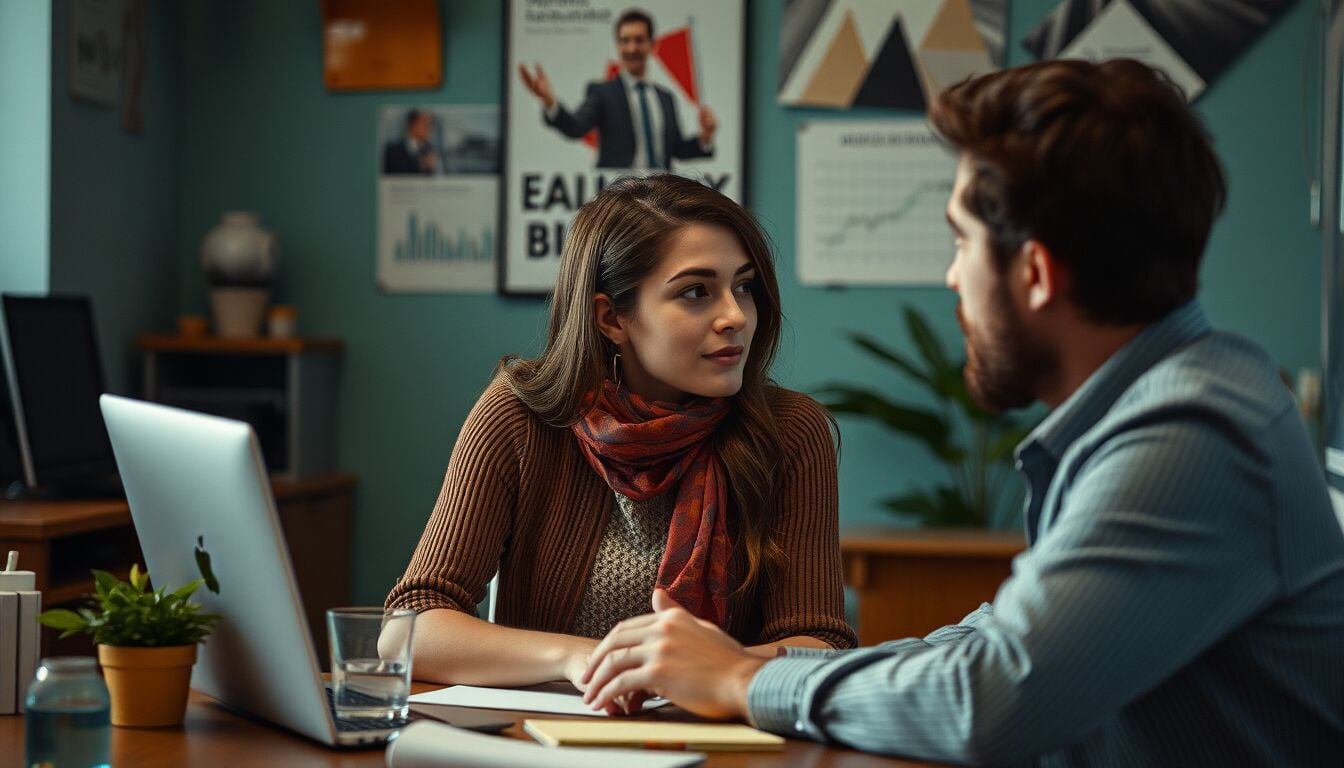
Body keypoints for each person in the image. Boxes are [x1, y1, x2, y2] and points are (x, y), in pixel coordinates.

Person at [580, 59, 1344, 765]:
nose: (950, 276)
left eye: (961, 242)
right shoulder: (1161, 408)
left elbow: (991, 698)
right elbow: (987, 643)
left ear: (1037, 272)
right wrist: (755, 662)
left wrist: (742, 685)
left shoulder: (1194, 434)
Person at [385, 174, 856, 692]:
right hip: (547, 743)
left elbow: (819, 644)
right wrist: (586, 658)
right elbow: (410, 628)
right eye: (696, 292)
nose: (735, 316)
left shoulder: (790, 431)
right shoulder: (521, 416)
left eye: (743, 286)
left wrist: (715, 670)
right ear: (611, 317)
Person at [517, 8, 716, 169]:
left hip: (659, 198)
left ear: (653, 45)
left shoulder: (665, 98)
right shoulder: (603, 93)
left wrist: (705, 137)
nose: (631, 48)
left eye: (639, 40)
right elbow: (575, 127)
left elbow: (676, 149)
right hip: (620, 198)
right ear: (617, 46)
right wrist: (549, 101)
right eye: (625, 41)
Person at [382, 109, 435, 175]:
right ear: (411, 124)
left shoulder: (430, 150)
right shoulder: (392, 151)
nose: (428, 127)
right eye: (424, 123)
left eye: (430, 124)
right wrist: (419, 166)